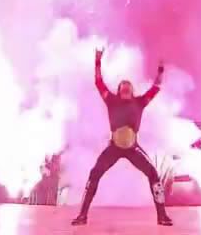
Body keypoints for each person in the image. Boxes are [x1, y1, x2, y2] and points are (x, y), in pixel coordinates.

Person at [71, 48, 173, 226]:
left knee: (153, 175)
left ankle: (162, 216)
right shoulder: (111, 100)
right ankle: (82, 215)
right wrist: (97, 61)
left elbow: (156, 88)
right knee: (94, 174)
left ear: (132, 91)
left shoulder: (140, 102)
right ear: (119, 91)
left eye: (128, 86)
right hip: (114, 148)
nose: (125, 87)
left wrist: (161, 70)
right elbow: (98, 82)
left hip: (133, 148)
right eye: (123, 86)